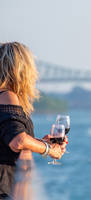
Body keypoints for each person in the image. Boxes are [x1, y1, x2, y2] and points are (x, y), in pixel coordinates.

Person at [0, 42, 67, 199]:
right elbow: (18, 141)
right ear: (21, 69)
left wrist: (40, 142)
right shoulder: (7, 96)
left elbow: (7, 136)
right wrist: (50, 150)